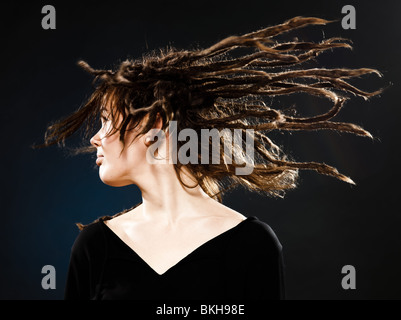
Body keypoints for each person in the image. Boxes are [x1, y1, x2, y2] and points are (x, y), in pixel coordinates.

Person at [32, 16, 383, 300]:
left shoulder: (252, 244)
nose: (94, 137)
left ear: (154, 124)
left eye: (107, 121)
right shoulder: (96, 246)